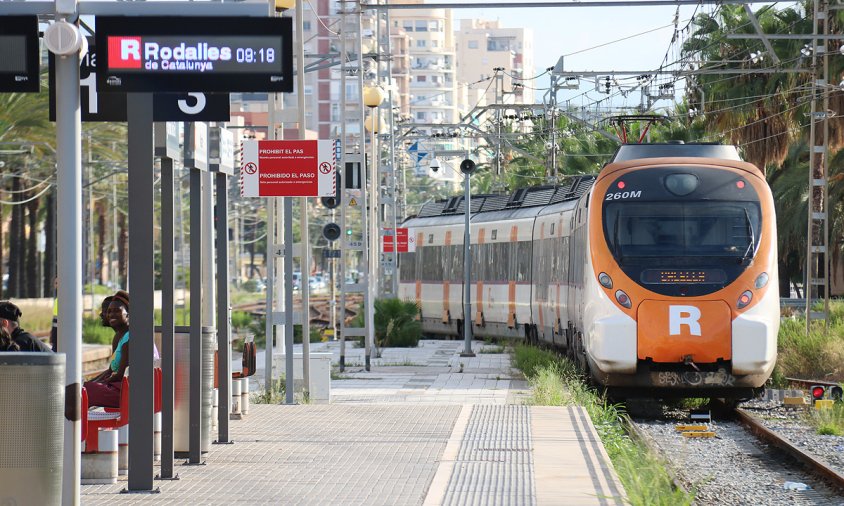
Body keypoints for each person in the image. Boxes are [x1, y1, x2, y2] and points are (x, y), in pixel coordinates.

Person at [84, 292, 131, 408]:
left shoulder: (130, 339)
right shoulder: (120, 337)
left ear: (128, 314)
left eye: (116, 311)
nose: (110, 314)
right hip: (120, 389)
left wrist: (96, 384)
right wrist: (90, 383)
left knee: (79, 393)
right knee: (82, 389)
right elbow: (111, 371)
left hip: (125, 393)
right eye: (109, 311)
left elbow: (120, 375)